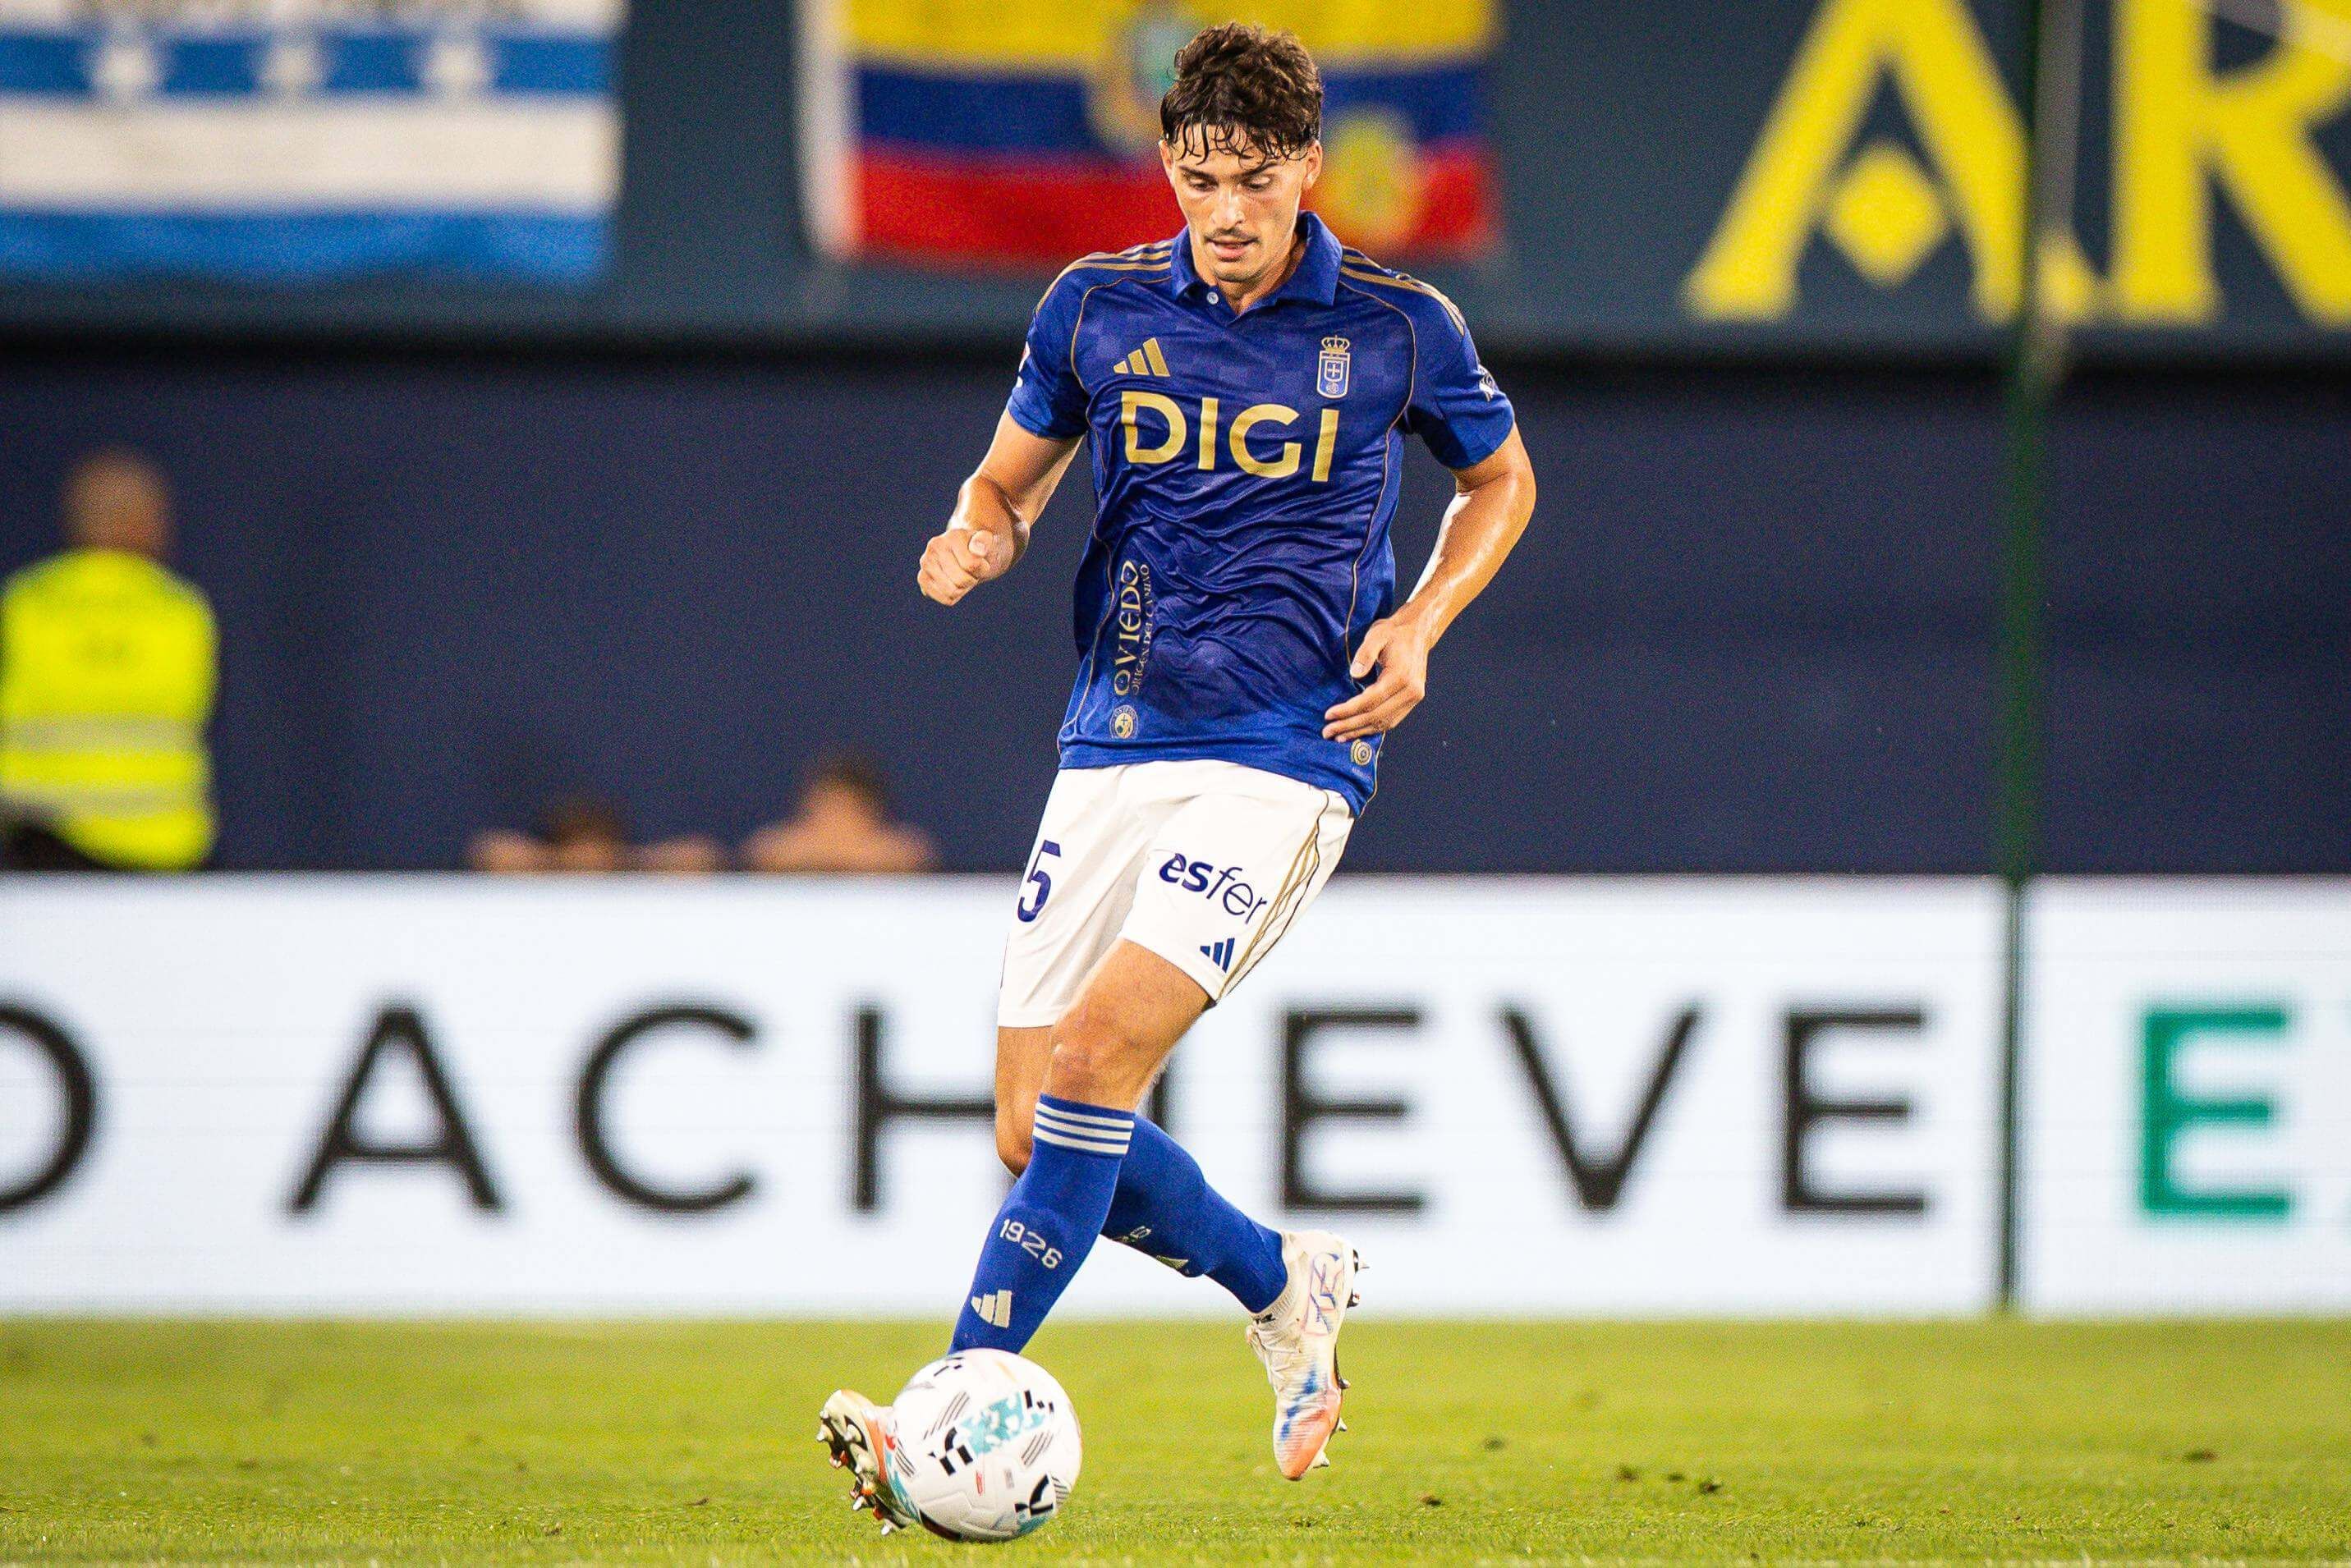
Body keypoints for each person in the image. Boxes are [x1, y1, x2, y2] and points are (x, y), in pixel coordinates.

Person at [819, 21, 1537, 1526]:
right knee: (1030, 1132)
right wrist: (978, 536)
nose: (1225, 210)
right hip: (1114, 742)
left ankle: (945, 1407)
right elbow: (1004, 482)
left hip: (1290, 754)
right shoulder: (1093, 309)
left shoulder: (1402, 327)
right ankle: (1286, 1285)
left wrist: (1421, 623)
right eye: (1201, 176)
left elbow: (1499, 477)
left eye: (1255, 180)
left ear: (1307, 173)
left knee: (1092, 1069)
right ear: (1168, 167)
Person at [0, 451, 218, 872]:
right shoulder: (181, 611)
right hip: (161, 846)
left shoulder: (23, 605)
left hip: (38, 846)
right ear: (144, 522)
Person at [742, 753, 936, 873]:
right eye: (828, 808)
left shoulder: (899, 849)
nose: (836, 821)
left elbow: (910, 854)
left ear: (870, 811)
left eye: (846, 809)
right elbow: (763, 850)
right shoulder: (781, 845)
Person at [468, 795, 723, 874]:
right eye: (579, 845)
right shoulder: (538, 876)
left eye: (598, 846)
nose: (588, 859)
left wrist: (623, 861)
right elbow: (490, 851)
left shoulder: (627, 870)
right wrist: (563, 862)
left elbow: (699, 855)